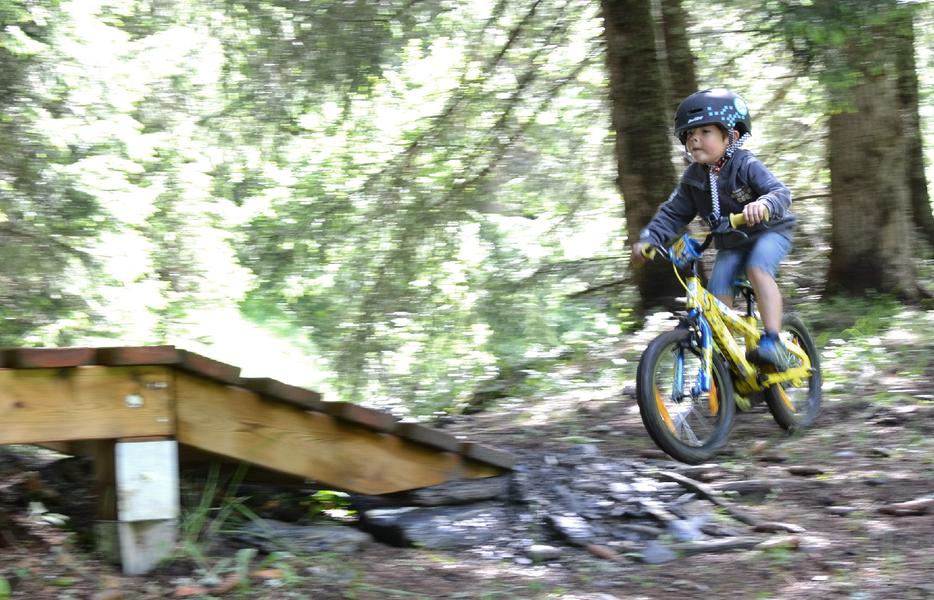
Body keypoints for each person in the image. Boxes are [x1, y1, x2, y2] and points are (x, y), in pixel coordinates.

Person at [631, 88, 796, 370]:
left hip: (769, 232)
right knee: (718, 292)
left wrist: (764, 204)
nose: (695, 139)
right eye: (689, 135)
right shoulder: (693, 179)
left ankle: (773, 341)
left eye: (705, 131)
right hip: (732, 243)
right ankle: (729, 362)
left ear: (730, 136)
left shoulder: (745, 164)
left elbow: (780, 192)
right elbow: (672, 213)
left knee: (758, 268)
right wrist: (649, 239)